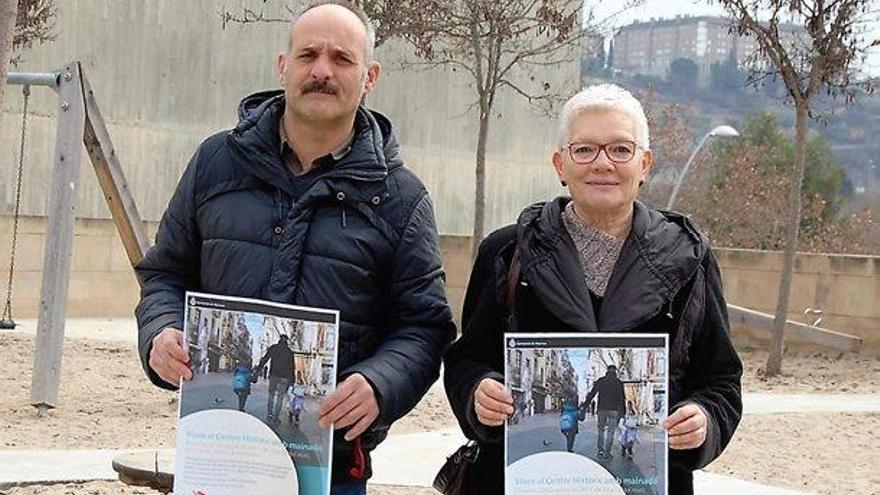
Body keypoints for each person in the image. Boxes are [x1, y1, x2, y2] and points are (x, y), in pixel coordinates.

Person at [134, 1, 455, 492]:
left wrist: (379, 385)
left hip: (332, 460)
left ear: (370, 76)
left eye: (342, 59)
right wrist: (162, 331)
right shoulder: (215, 162)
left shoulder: (402, 198)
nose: (322, 71)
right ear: (283, 66)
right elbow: (165, 274)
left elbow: (422, 326)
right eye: (308, 55)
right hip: (219, 450)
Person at [443, 83, 743, 495]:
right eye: (584, 150)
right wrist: (479, 393)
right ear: (560, 164)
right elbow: (467, 359)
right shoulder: (507, 252)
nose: (602, 163)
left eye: (620, 149)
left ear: (645, 164)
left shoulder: (688, 259)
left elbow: (720, 379)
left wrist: (703, 420)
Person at [581, 364, 626, 459]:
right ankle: (607, 452)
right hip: (614, 410)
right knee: (611, 431)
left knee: (601, 430)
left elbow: (592, 394)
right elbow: (622, 399)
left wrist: (585, 405)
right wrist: (623, 412)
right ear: (615, 371)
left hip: (602, 409)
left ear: (607, 371)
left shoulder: (601, 381)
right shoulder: (619, 383)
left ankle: (600, 450)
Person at [255, 334, 296, 423]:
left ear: (279, 339)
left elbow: (265, 359)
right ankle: (276, 417)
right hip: (285, 378)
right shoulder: (289, 352)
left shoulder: (273, 348)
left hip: (274, 375)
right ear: (287, 341)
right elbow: (292, 367)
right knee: (280, 397)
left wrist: (258, 370)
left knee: (271, 395)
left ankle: (269, 414)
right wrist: (292, 380)